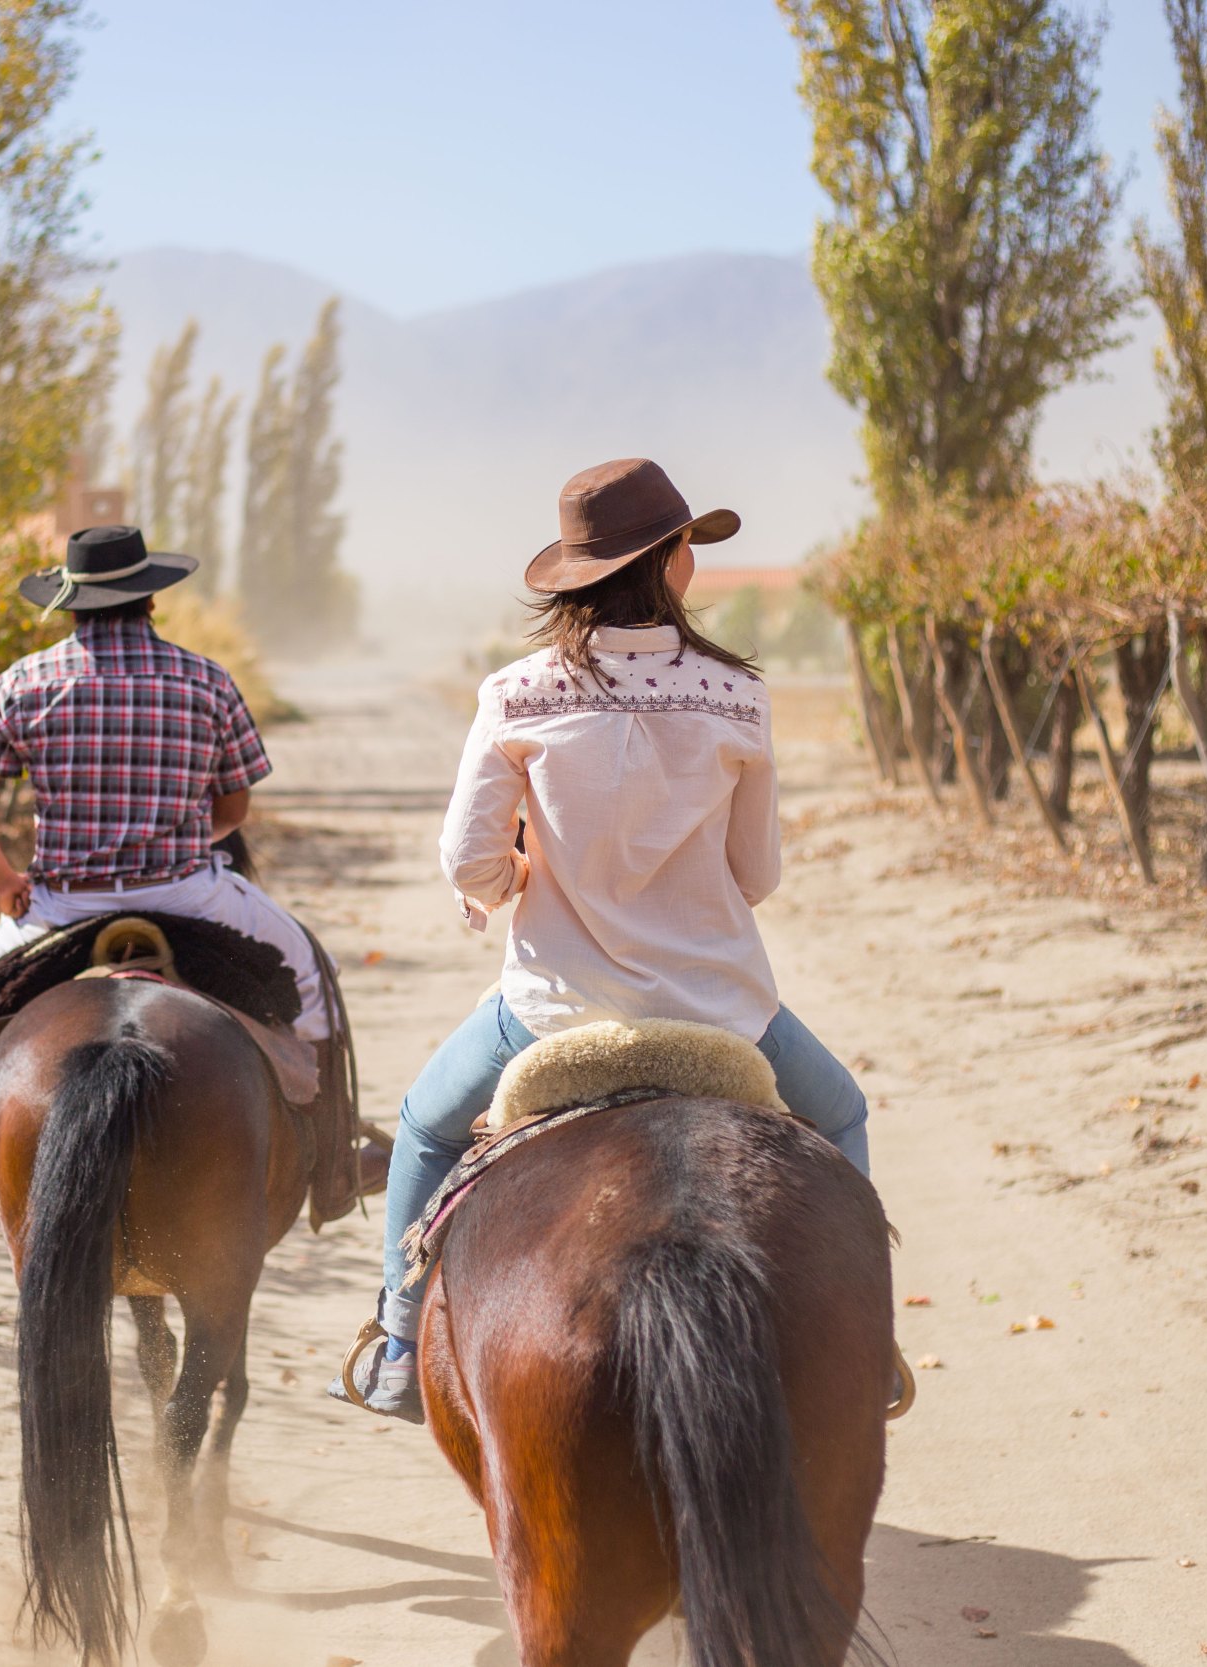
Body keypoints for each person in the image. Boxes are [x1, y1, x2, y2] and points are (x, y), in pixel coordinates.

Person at [332, 458, 871, 1422]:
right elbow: (758, 875)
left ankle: (402, 1343)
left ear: (577, 576)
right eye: (690, 548)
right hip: (724, 1011)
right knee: (840, 1115)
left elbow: (467, 860)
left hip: (548, 1014)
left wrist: (517, 878)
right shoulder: (737, 695)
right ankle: (866, 1344)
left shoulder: (515, 692)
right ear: (670, 561)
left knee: (421, 1126)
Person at [0, 523, 372, 1223]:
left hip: (60, 905)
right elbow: (235, 802)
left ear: (71, 606)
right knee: (313, 974)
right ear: (150, 603)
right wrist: (192, 834)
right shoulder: (205, 678)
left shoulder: (25, 681)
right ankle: (331, 1158)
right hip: (188, 892)